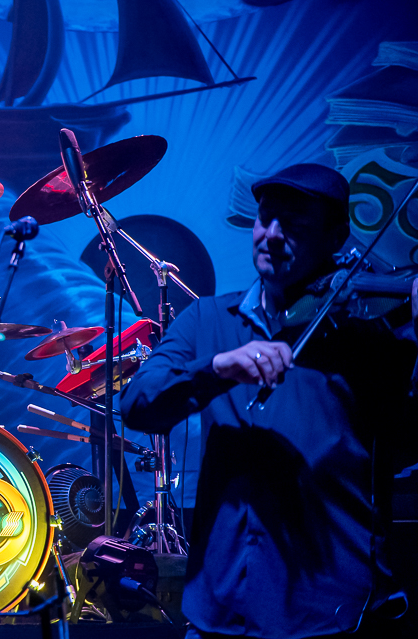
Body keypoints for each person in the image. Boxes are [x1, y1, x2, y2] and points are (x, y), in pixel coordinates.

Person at [120, 163, 418, 638]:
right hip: (218, 610)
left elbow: (409, 440)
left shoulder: (371, 336)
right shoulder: (208, 319)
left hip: (327, 615)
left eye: (295, 225)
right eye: (265, 218)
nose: (272, 235)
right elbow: (138, 404)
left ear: (337, 237)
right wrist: (217, 368)